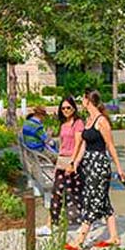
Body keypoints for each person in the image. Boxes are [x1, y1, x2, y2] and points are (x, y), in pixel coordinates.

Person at [67, 90, 125, 250]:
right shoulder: (88, 120)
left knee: (92, 200)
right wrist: (74, 163)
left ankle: (79, 240)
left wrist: (119, 168)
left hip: (99, 165)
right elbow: (83, 145)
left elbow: (110, 146)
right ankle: (114, 237)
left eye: (82, 99)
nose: (81, 102)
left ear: (88, 101)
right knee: (104, 203)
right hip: (89, 164)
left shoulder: (102, 121)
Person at [49, 96, 84, 232]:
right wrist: (58, 161)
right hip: (62, 159)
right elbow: (62, 144)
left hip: (72, 160)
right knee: (56, 192)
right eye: (63, 108)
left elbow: (78, 144)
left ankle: (77, 221)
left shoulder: (78, 123)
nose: (65, 110)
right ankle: (53, 222)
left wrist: (72, 163)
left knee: (73, 192)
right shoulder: (63, 124)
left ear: (74, 108)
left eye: (68, 107)